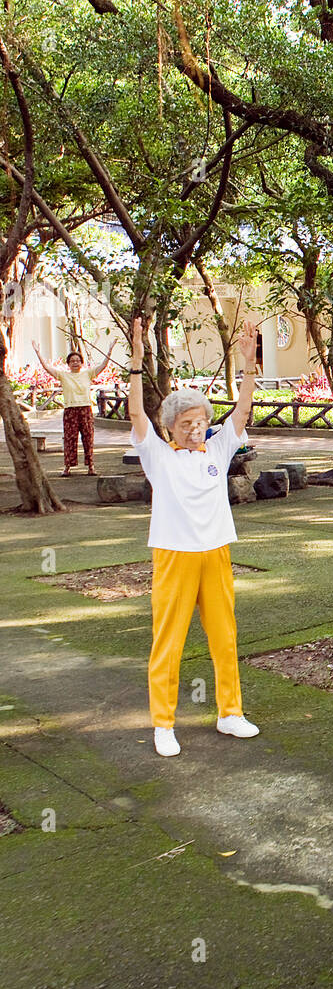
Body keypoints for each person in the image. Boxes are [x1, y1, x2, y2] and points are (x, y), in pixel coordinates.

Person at [128, 317, 261, 758]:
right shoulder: (158, 456)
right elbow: (135, 414)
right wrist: (135, 362)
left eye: (200, 420)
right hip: (174, 556)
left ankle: (229, 713)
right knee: (169, 642)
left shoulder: (218, 449)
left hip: (216, 553)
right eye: (186, 423)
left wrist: (248, 363)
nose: (195, 428)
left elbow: (241, 412)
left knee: (225, 637)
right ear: (170, 426)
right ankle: (163, 724)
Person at [32, 337, 116, 477]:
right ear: (68, 364)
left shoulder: (87, 373)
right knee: (70, 438)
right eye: (72, 361)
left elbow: (103, 366)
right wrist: (38, 353)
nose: (75, 363)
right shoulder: (63, 375)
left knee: (88, 438)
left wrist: (110, 350)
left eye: (77, 360)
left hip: (85, 410)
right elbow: (47, 368)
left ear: (81, 363)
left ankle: (91, 466)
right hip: (70, 410)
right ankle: (67, 467)